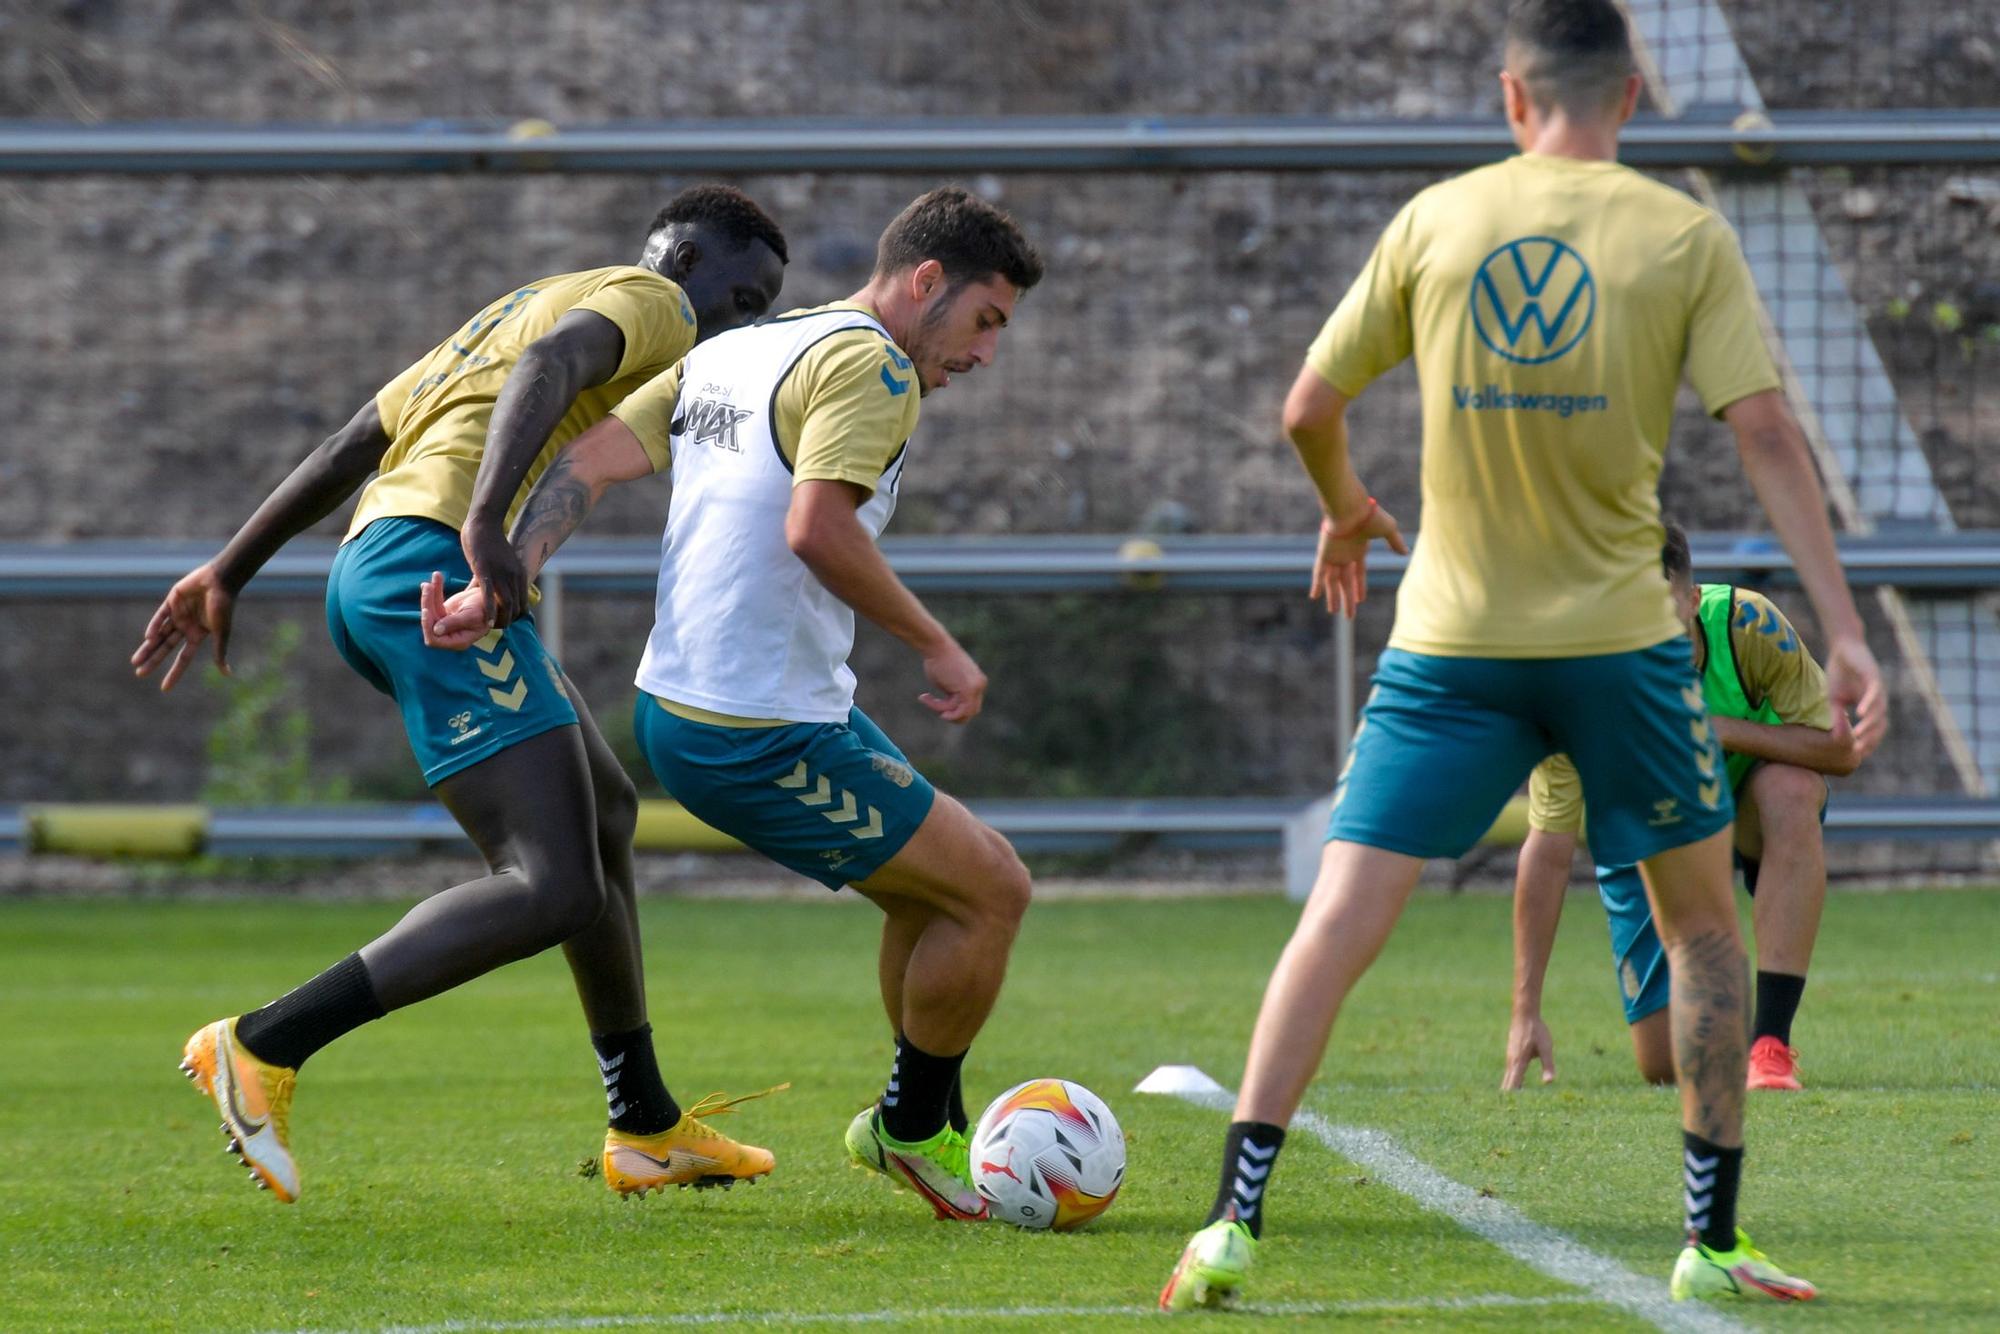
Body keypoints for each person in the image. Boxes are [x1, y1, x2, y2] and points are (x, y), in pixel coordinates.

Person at [1159, 0, 1885, 1310]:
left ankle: (1229, 1220)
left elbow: (1306, 407)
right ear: (1634, 99)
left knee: (1340, 916)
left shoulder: (1436, 219)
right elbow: (1769, 433)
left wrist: (1342, 504)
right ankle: (1711, 1239)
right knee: (1707, 932)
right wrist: (1839, 623)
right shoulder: (1682, 232)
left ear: (1511, 97)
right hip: (1622, 646)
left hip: (1450, 643)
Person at [132, 185, 790, 1205]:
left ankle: (646, 1121)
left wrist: (228, 567)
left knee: (605, 811)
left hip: (381, 564)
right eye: (741, 296)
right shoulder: (652, 302)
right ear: (688, 257)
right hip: (431, 568)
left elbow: (358, 437)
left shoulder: (524, 300)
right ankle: (262, 1043)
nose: (738, 323)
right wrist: (486, 523)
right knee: (549, 881)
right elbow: (549, 369)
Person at [424, 185, 1044, 1223]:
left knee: (937, 895)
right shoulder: (871, 364)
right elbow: (819, 530)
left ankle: (912, 1118)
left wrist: (506, 574)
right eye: (985, 319)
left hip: (709, 704)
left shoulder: (744, 345)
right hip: (754, 727)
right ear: (925, 281)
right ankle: (911, 1129)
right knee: (993, 892)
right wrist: (940, 646)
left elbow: (589, 459)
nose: (984, 354)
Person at [1504, 522, 1877, 1092]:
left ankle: (1770, 1046)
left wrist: (1719, 729)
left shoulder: (1747, 625)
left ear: (1694, 599)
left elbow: (1839, 749)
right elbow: (1549, 848)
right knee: (1666, 1066)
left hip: (1743, 807)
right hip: (1646, 832)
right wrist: (1525, 1009)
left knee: (1792, 790)